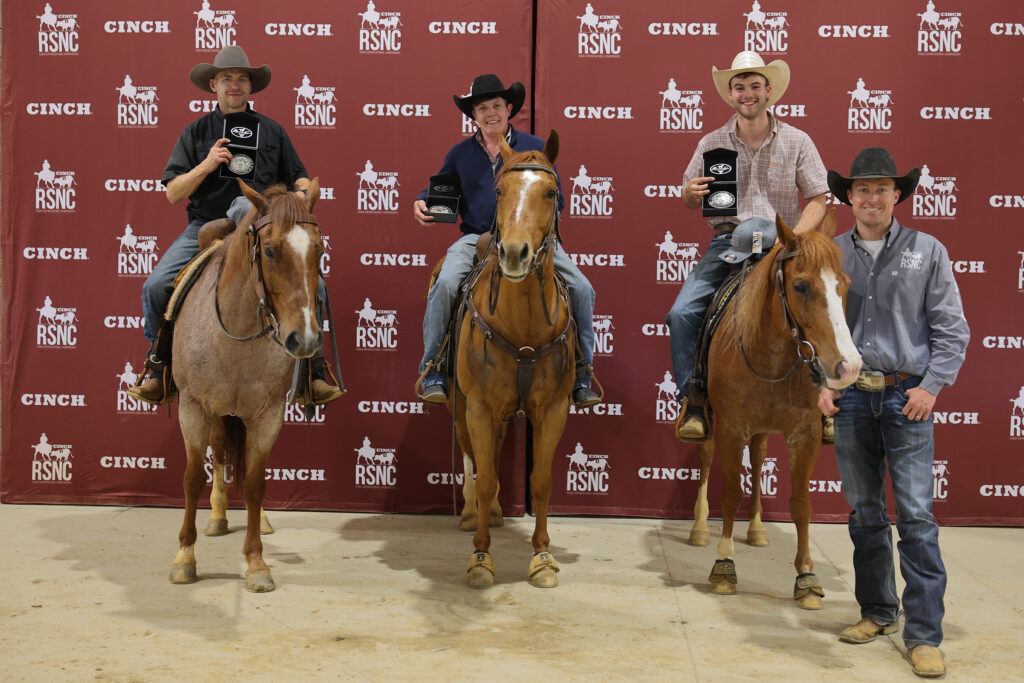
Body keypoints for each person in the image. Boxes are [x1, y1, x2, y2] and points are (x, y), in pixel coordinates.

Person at [818, 147, 969, 679]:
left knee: (917, 516)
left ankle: (924, 635)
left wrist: (931, 387)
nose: (872, 198)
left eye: (881, 188)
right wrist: (820, 384)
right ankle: (878, 612)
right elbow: (813, 328)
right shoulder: (831, 253)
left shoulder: (928, 250)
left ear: (897, 194)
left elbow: (952, 329)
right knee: (864, 512)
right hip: (852, 397)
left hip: (908, 397)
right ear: (849, 197)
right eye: (862, 189)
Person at [128, 45, 341, 406]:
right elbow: (173, 192)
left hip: (262, 227)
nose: (235, 85)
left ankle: (314, 372)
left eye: (242, 79)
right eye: (227, 78)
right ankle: (158, 366)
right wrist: (207, 163)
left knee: (315, 285)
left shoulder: (272, 131)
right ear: (214, 85)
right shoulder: (195, 133)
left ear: (250, 86)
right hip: (206, 225)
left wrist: (302, 193)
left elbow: (300, 176)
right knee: (155, 285)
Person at [667, 51, 828, 441]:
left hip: (782, 242)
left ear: (769, 91)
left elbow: (819, 199)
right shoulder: (711, 142)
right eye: (739, 87)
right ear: (730, 94)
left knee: (824, 305)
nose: (747, 94)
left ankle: (826, 401)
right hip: (729, 240)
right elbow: (688, 198)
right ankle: (695, 401)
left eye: (755, 86)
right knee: (681, 313)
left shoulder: (797, 140)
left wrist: (794, 239)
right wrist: (689, 193)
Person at [413, 74, 600, 408]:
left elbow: (556, 198)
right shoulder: (459, 154)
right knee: (446, 284)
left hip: (531, 240)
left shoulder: (534, 147)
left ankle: (583, 371)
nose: (491, 113)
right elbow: (442, 191)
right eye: (482, 108)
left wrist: (533, 229)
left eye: (496, 106)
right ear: (474, 115)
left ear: (509, 109)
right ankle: (433, 368)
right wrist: (422, 200)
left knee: (582, 288)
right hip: (476, 237)